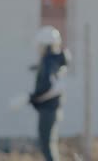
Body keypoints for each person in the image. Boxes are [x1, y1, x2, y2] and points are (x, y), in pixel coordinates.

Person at [29, 26, 71, 161]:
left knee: (47, 145)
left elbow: (48, 86)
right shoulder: (55, 60)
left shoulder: (49, 60)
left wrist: (35, 97)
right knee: (49, 144)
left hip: (48, 109)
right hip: (53, 108)